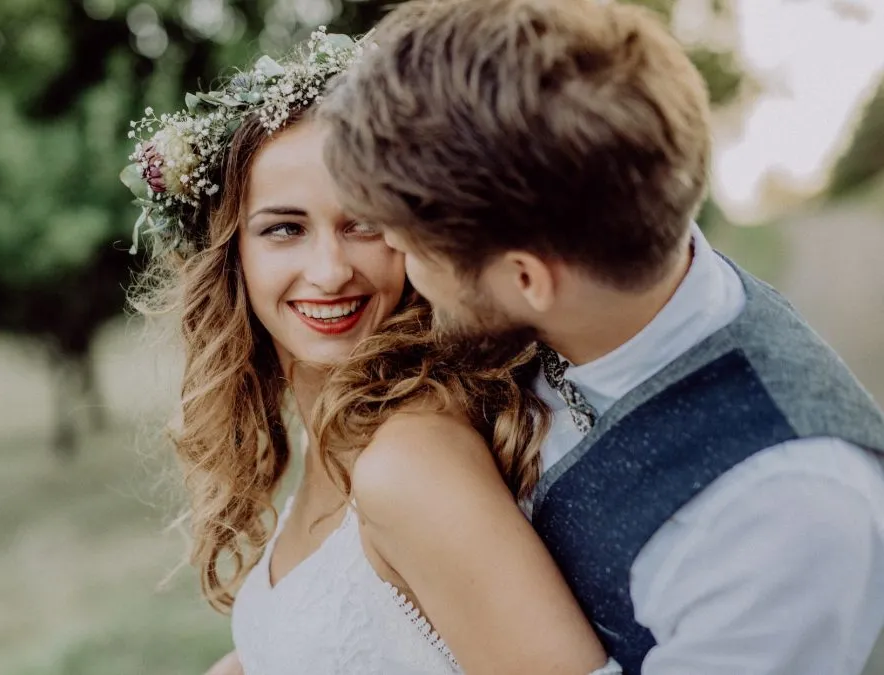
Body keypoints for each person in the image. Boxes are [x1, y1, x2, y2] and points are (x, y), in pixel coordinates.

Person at [317, 1, 884, 674]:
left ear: (527, 278)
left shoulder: (788, 517)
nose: (403, 269)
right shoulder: (580, 275)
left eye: (414, 250)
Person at [125, 30, 619, 675]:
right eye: (285, 228)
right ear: (232, 257)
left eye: (364, 224)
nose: (330, 272)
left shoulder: (411, 462)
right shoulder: (335, 432)